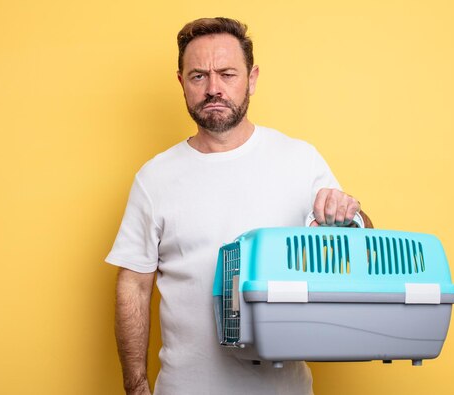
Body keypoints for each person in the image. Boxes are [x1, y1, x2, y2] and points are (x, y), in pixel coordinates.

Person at [106, 17, 372, 395]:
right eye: (199, 76)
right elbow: (133, 285)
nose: (214, 88)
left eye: (227, 73)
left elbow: (359, 242)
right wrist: (135, 387)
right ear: (181, 82)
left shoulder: (300, 159)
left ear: (252, 78)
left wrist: (351, 215)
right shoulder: (154, 178)